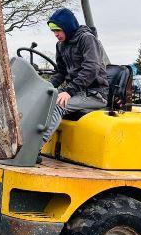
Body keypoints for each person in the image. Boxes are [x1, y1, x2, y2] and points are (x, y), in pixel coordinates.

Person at [40, 8, 109, 145]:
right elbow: (61, 72)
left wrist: (69, 91)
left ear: (67, 27)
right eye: (53, 31)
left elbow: (91, 69)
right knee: (42, 100)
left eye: (58, 30)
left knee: (57, 105)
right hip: (76, 91)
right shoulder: (61, 45)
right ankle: (24, 143)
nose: (56, 34)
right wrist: (46, 87)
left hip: (94, 93)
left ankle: (33, 149)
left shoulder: (87, 39)